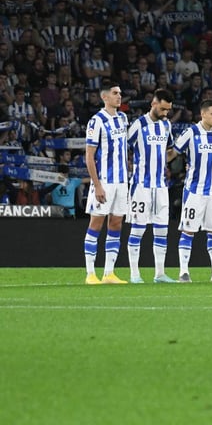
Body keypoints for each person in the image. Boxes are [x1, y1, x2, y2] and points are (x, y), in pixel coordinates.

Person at [124, 89, 177, 284]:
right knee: (138, 230)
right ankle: (134, 274)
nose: (165, 113)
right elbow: (124, 150)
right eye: (163, 109)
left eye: (168, 110)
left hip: (161, 186)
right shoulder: (138, 125)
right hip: (141, 186)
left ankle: (160, 273)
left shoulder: (166, 126)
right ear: (153, 104)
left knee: (162, 230)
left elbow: (169, 151)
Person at [174, 100, 212, 283]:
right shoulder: (191, 132)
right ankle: (183, 272)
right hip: (194, 192)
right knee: (188, 231)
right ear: (203, 114)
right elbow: (173, 153)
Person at [84, 81, 130, 285]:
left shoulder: (123, 118)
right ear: (105, 97)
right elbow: (89, 156)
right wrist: (98, 185)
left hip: (122, 182)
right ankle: (90, 273)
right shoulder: (96, 121)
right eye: (115, 93)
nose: (119, 96)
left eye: (119, 93)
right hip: (105, 181)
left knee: (116, 223)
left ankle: (109, 273)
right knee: (96, 223)